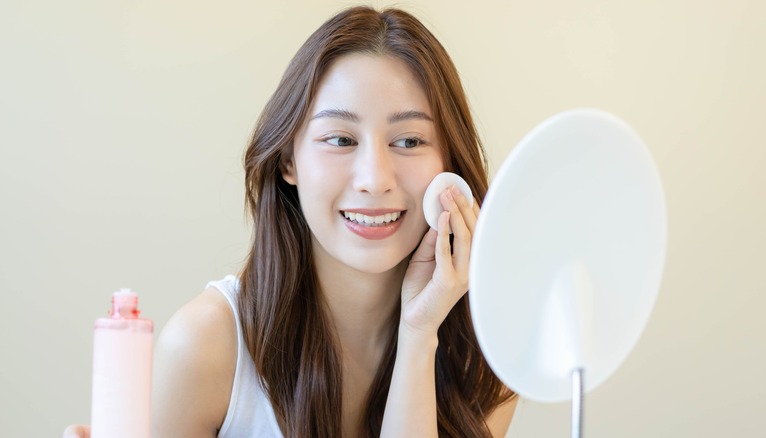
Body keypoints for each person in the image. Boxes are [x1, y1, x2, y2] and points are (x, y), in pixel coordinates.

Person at [65, 6, 517, 438]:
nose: (375, 179)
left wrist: (419, 334)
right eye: (340, 139)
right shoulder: (205, 347)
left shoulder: (486, 358)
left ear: (450, 165)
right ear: (289, 161)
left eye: (409, 141)